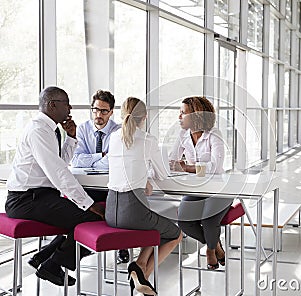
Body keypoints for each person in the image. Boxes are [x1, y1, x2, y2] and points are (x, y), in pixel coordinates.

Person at [5, 86, 104, 286]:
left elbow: (60, 162)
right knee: (92, 219)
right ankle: (52, 265)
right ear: (52, 105)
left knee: (83, 218)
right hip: (26, 200)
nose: (70, 108)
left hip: (38, 197)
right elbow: (58, 173)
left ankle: (44, 258)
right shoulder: (39, 130)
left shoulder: (48, 129)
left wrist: (72, 137)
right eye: (66, 103)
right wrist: (87, 203)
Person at [105, 97, 182, 295]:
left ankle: (139, 267)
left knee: (154, 226)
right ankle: (142, 274)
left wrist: (143, 179)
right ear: (145, 117)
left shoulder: (113, 138)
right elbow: (163, 175)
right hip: (133, 211)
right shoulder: (148, 140)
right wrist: (146, 178)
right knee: (175, 234)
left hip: (111, 211)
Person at [169, 96, 232, 270]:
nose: (179, 116)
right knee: (184, 221)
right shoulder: (183, 135)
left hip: (221, 189)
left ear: (196, 115)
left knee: (209, 219)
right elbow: (172, 161)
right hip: (197, 189)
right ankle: (215, 244)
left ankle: (210, 250)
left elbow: (215, 166)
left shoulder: (214, 134)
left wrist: (188, 168)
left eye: (183, 113)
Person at [71, 90, 129, 263]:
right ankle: (83, 244)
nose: (98, 114)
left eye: (104, 111)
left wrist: (95, 160)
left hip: (111, 186)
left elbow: (114, 162)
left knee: (118, 204)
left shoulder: (118, 131)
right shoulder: (82, 129)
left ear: (111, 112)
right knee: (78, 205)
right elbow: (75, 161)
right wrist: (101, 156)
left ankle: (121, 245)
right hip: (88, 186)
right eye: (95, 110)